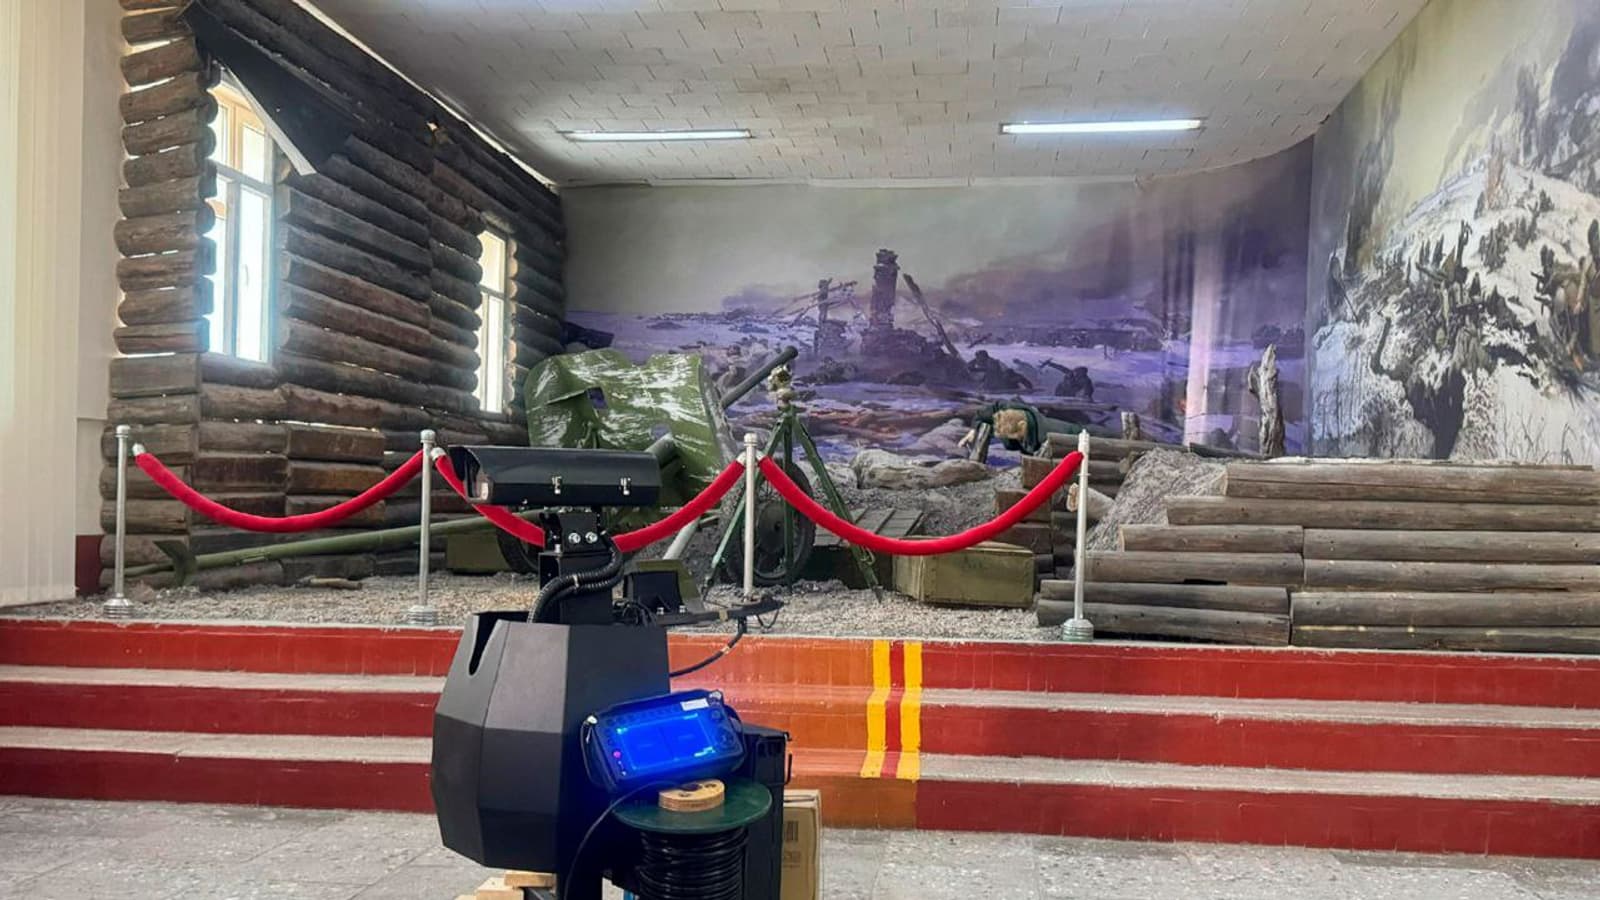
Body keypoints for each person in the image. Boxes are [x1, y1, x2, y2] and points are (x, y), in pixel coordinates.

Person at [958, 400, 1079, 456]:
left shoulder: (1046, 435)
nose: (1011, 438)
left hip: (1079, 436)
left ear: (1022, 425)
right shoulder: (1006, 409)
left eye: (1012, 435)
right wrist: (974, 430)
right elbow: (989, 411)